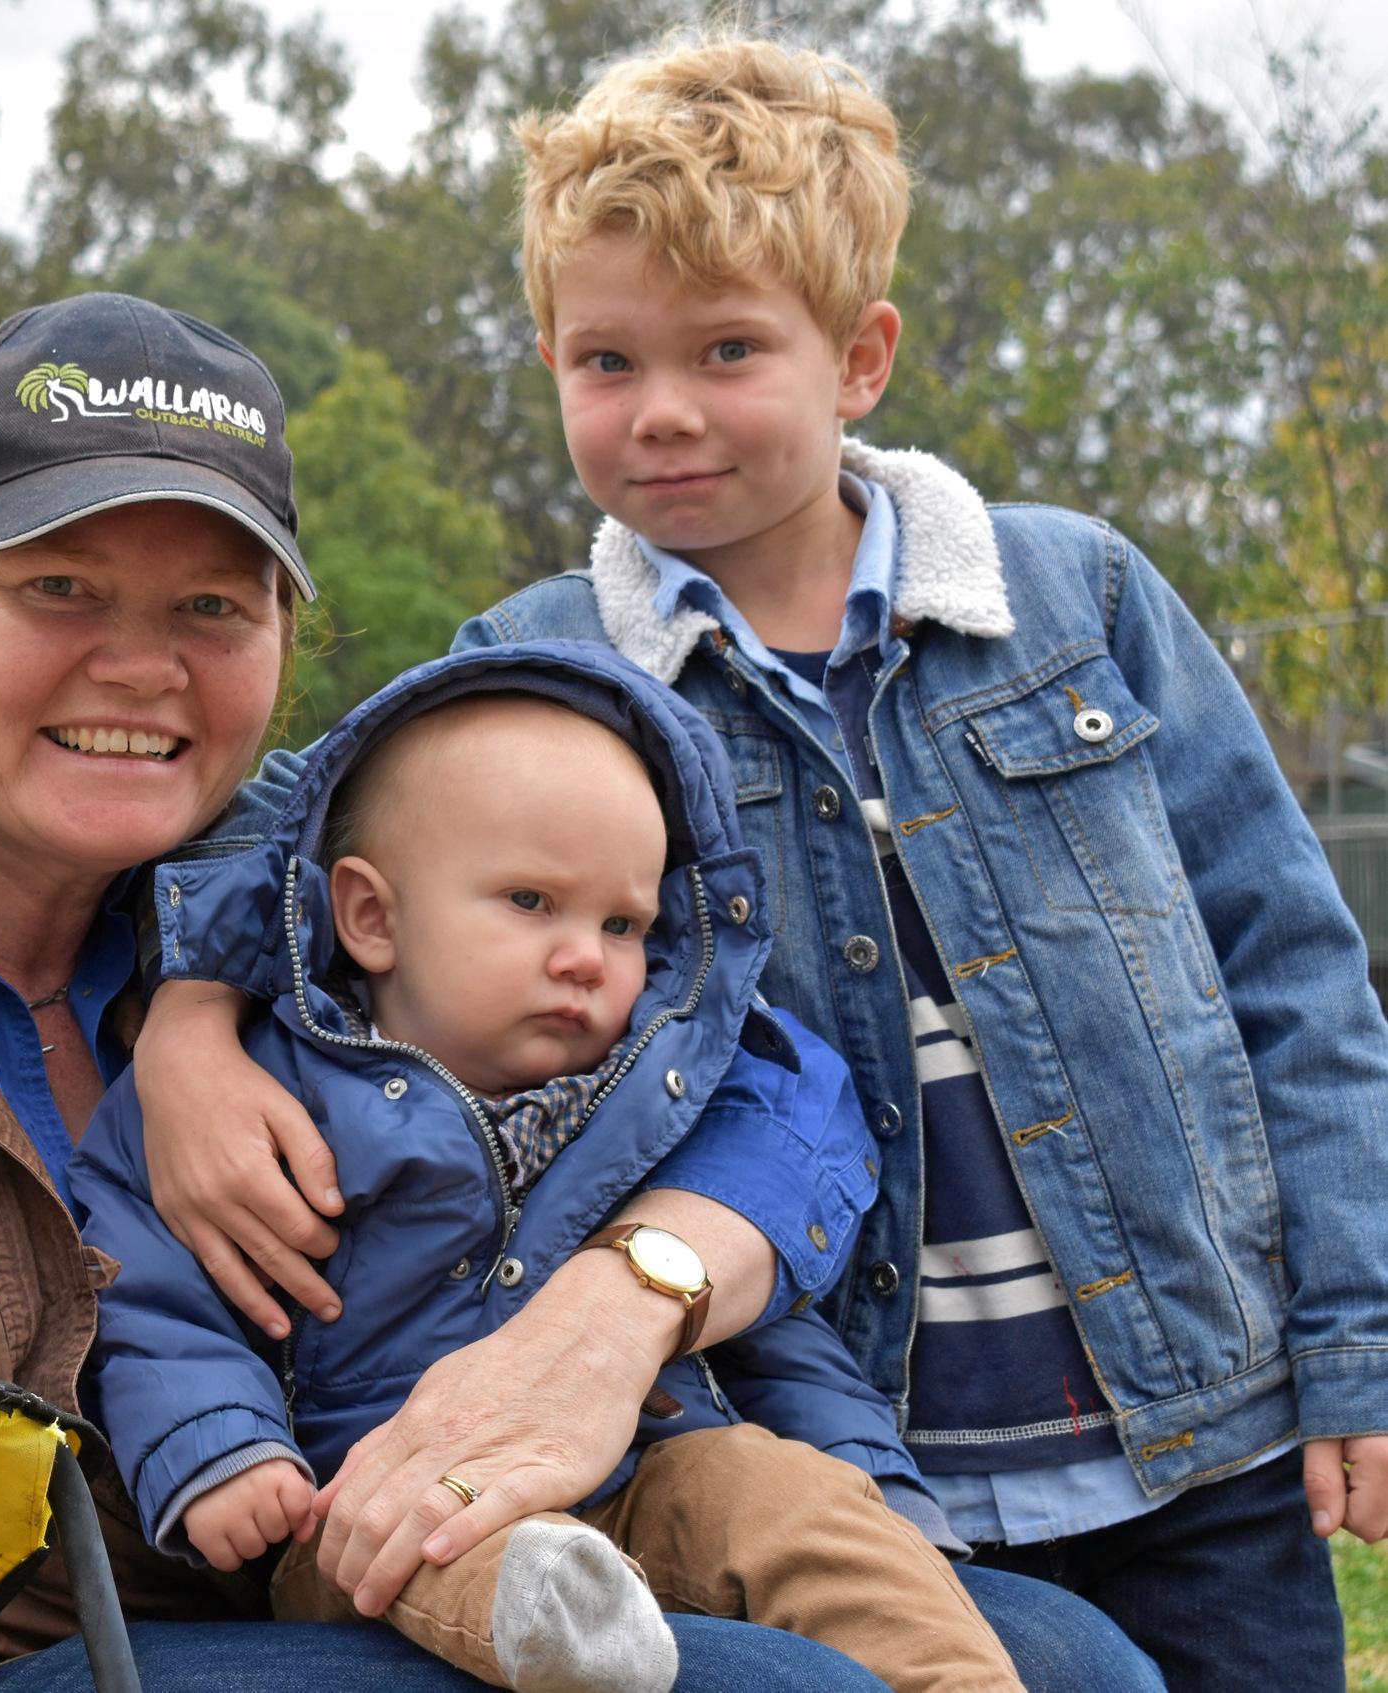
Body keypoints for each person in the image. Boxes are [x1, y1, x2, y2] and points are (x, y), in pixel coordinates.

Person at [0, 290, 1156, 1693]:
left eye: (215, 607)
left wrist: (622, 1295)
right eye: (57, 585)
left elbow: (762, 1071)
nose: (142, 665)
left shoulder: (308, 892)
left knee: (1079, 1660)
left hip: (385, 1530)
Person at [131, 34, 1388, 1692]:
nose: (658, 412)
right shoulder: (537, 666)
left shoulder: (1074, 598)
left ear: (856, 356)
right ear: (546, 361)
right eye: (602, 360)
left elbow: (1291, 975)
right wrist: (184, 1023)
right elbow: (272, 831)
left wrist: (1353, 1340)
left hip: (1194, 1421)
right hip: (862, 1443)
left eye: (726, 349)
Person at [75, 649, 1024, 1693]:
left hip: (646, 1464)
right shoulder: (263, 1096)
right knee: (429, 1544)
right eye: (532, 901)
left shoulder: (653, 1097)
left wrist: (862, 1476)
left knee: (775, 1490)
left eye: (624, 924)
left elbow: (769, 1331)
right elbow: (146, 1284)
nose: (588, 956)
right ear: (372, 917)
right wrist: (219, 1445)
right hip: (365, 1486)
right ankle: (565, 1633)